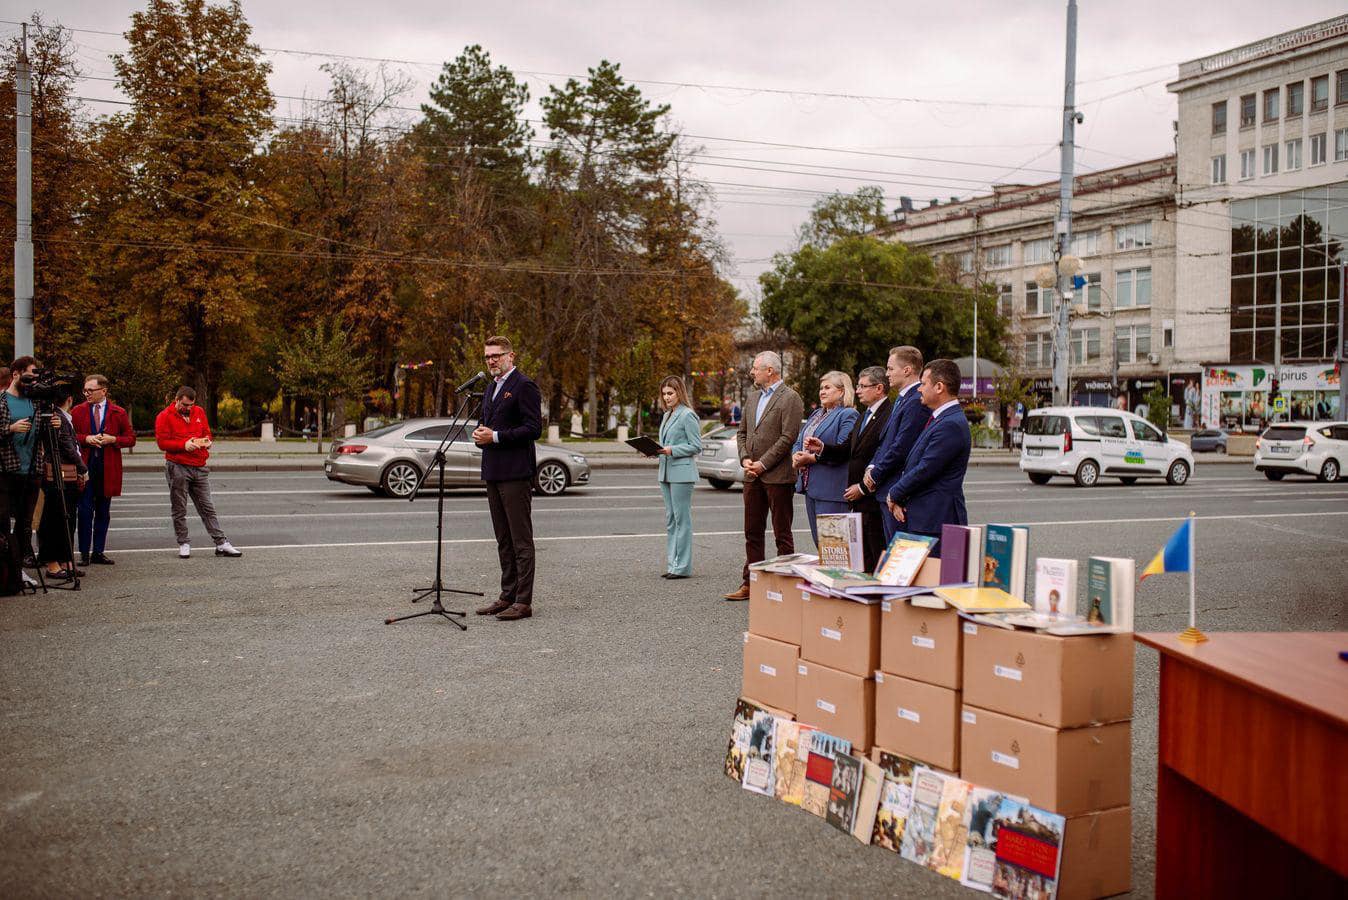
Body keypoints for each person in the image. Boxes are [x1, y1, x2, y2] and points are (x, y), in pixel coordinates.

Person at [471, 336, 542, 622]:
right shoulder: (490, 388)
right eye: (488, 356)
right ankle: (507, 595)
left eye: (496, 355)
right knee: (503, 539)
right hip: (493, 471)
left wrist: (496, 437)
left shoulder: (523, 386)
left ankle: (523, 601)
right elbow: (486, 425)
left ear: (510, 356)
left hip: (515, 472)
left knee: (520, 540)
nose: (491, 360)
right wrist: (480, 435)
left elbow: (533, 428)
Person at [724, 351, 803, 601]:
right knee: (752, 532)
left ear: (770, 370)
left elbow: (788, 437)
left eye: (756, 368)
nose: (752, 372)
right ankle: (751, 583)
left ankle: (785, 585)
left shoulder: (790, 397)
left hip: (777, 477)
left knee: (782, 534)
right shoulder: (753, 397)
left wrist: (763, 464)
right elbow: (742, 432)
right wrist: (745, 458)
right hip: (752, 476)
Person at [806, 365, 892, 571]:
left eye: (863, 386)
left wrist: (862, 486)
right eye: (858, 386)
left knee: (872, 552)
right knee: (859, 555)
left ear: (879, 388)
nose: (859, 390)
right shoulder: (864, 415)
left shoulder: (887, 414)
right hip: (855, 494)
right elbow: (847, 449)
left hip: (868, 492)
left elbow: (885, 453)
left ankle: (873, 598)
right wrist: (822, 448)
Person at [886, 359, 971, 556]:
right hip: (925, 517)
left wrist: (894, 493)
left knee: (934, 582)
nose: (919, 389)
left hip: (936, 519)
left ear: (939, 387)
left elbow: (925, 468)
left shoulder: (951, 424)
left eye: (924, 384)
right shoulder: (940, 418)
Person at [154, 386, 243, 559]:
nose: (188, 408)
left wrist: (207, 442)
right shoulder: (164, 416)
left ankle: (221, 543)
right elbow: (162, 442)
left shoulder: (199, 412)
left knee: (207, 507)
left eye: (191, 405)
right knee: (179, 507)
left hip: (199, 465)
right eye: (185, 405)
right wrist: (183, 445)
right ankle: (184, 542)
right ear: (177, 400)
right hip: (177, 466)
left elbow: (206, 432)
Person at [864, 346, 930, 542]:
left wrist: (875, 474)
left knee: (901, 555)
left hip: (897, 491)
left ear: (907, 370)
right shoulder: (902, 400)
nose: (886, 374)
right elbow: (885, 441)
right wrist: (872, 466)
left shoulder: (916, 402)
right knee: (891, 552)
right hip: (886, 488)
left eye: (890, 369)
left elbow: (902, 447)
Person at [72, 374, 136, 565]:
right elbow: (70, 435)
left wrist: (113, 439)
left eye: (90, 390)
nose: (87, 394)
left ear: (104, 391)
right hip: (85, 466)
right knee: (84, 511)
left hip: (107, 467)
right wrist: (86, 439)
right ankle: (84, 552)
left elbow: (131, 438)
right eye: (85, 390)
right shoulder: (78, 411)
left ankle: (98, 551)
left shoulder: (118, 412)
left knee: (103, 511)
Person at [790, 371, 858, 546]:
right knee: (820, 545)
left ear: (842, 391)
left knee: (835, 548)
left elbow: (843, 450)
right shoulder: (816, 414)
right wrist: (796, 455)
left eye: (827, 387)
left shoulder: (848, 414)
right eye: (821, 388)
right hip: (810, 488)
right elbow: (799, 441)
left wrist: (811, 458)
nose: (822, 392)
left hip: (832, 491)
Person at [0, 357, 49, 582]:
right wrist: (10, 428)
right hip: (7, 471)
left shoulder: (35, 402)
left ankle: (18, 570)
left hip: (32, 470)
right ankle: (6, 571)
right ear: (16, 374)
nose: (32, 381)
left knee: (25, 524)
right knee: (2, 522)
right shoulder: (2, 401)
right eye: (29, 376)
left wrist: (53, 425)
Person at [653, 375, 702, 579]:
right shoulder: (667, 415)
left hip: (682, 473)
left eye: (670, 393)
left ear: (679, 393)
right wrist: (654, 450)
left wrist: (670, 450)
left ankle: (682, 567)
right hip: (665, 472)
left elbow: (696, 446)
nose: (666, 397)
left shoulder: (687, 415)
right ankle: (673, 564)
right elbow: (664, 444)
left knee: (682, 520)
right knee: (671, 520)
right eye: (664, 394)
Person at [37, 385, 87, 580]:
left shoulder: (59, 417)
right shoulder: (57, 419)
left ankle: (65, 560)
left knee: (66, 518)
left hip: (63, 473)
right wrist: (83, 468)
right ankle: (54, 563)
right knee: (56, 519)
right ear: (70, 399)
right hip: (59, 473)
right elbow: (67, 446)